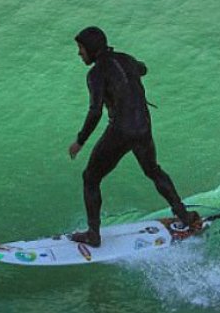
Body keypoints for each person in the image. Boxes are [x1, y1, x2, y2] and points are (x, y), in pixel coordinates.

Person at [68, 26, 199, 247]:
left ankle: (93, 234)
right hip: (143, 126)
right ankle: (184, 216)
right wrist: (131, 70)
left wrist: (80, 140)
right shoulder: (126, 59)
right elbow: (143, 68)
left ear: (90, 48)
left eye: (81, 48)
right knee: (153, 170)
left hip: (121, 130)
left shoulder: (95, 74)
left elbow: (95, 111)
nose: (79, 53)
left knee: (90, 178)